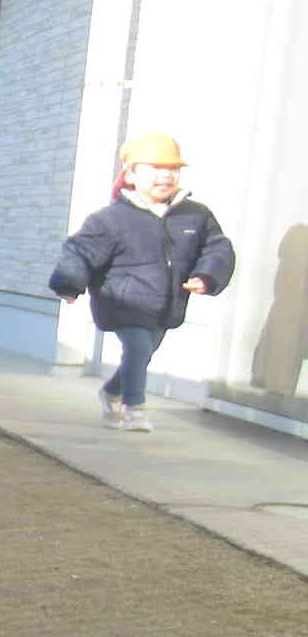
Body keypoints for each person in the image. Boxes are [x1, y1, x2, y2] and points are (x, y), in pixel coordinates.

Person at [49, 132, 234, 432]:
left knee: (143, 352)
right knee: (137, 347)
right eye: (154, 169)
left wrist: (207, 275)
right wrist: (69, 283)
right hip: (121, 300)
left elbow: (217, 247)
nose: (165, 176)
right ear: (131, 174)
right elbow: (80, 250)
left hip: (166, 304)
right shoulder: (110, 219)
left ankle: (111, 392)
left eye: (172, 169)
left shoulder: (195, 216)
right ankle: (134, 407)